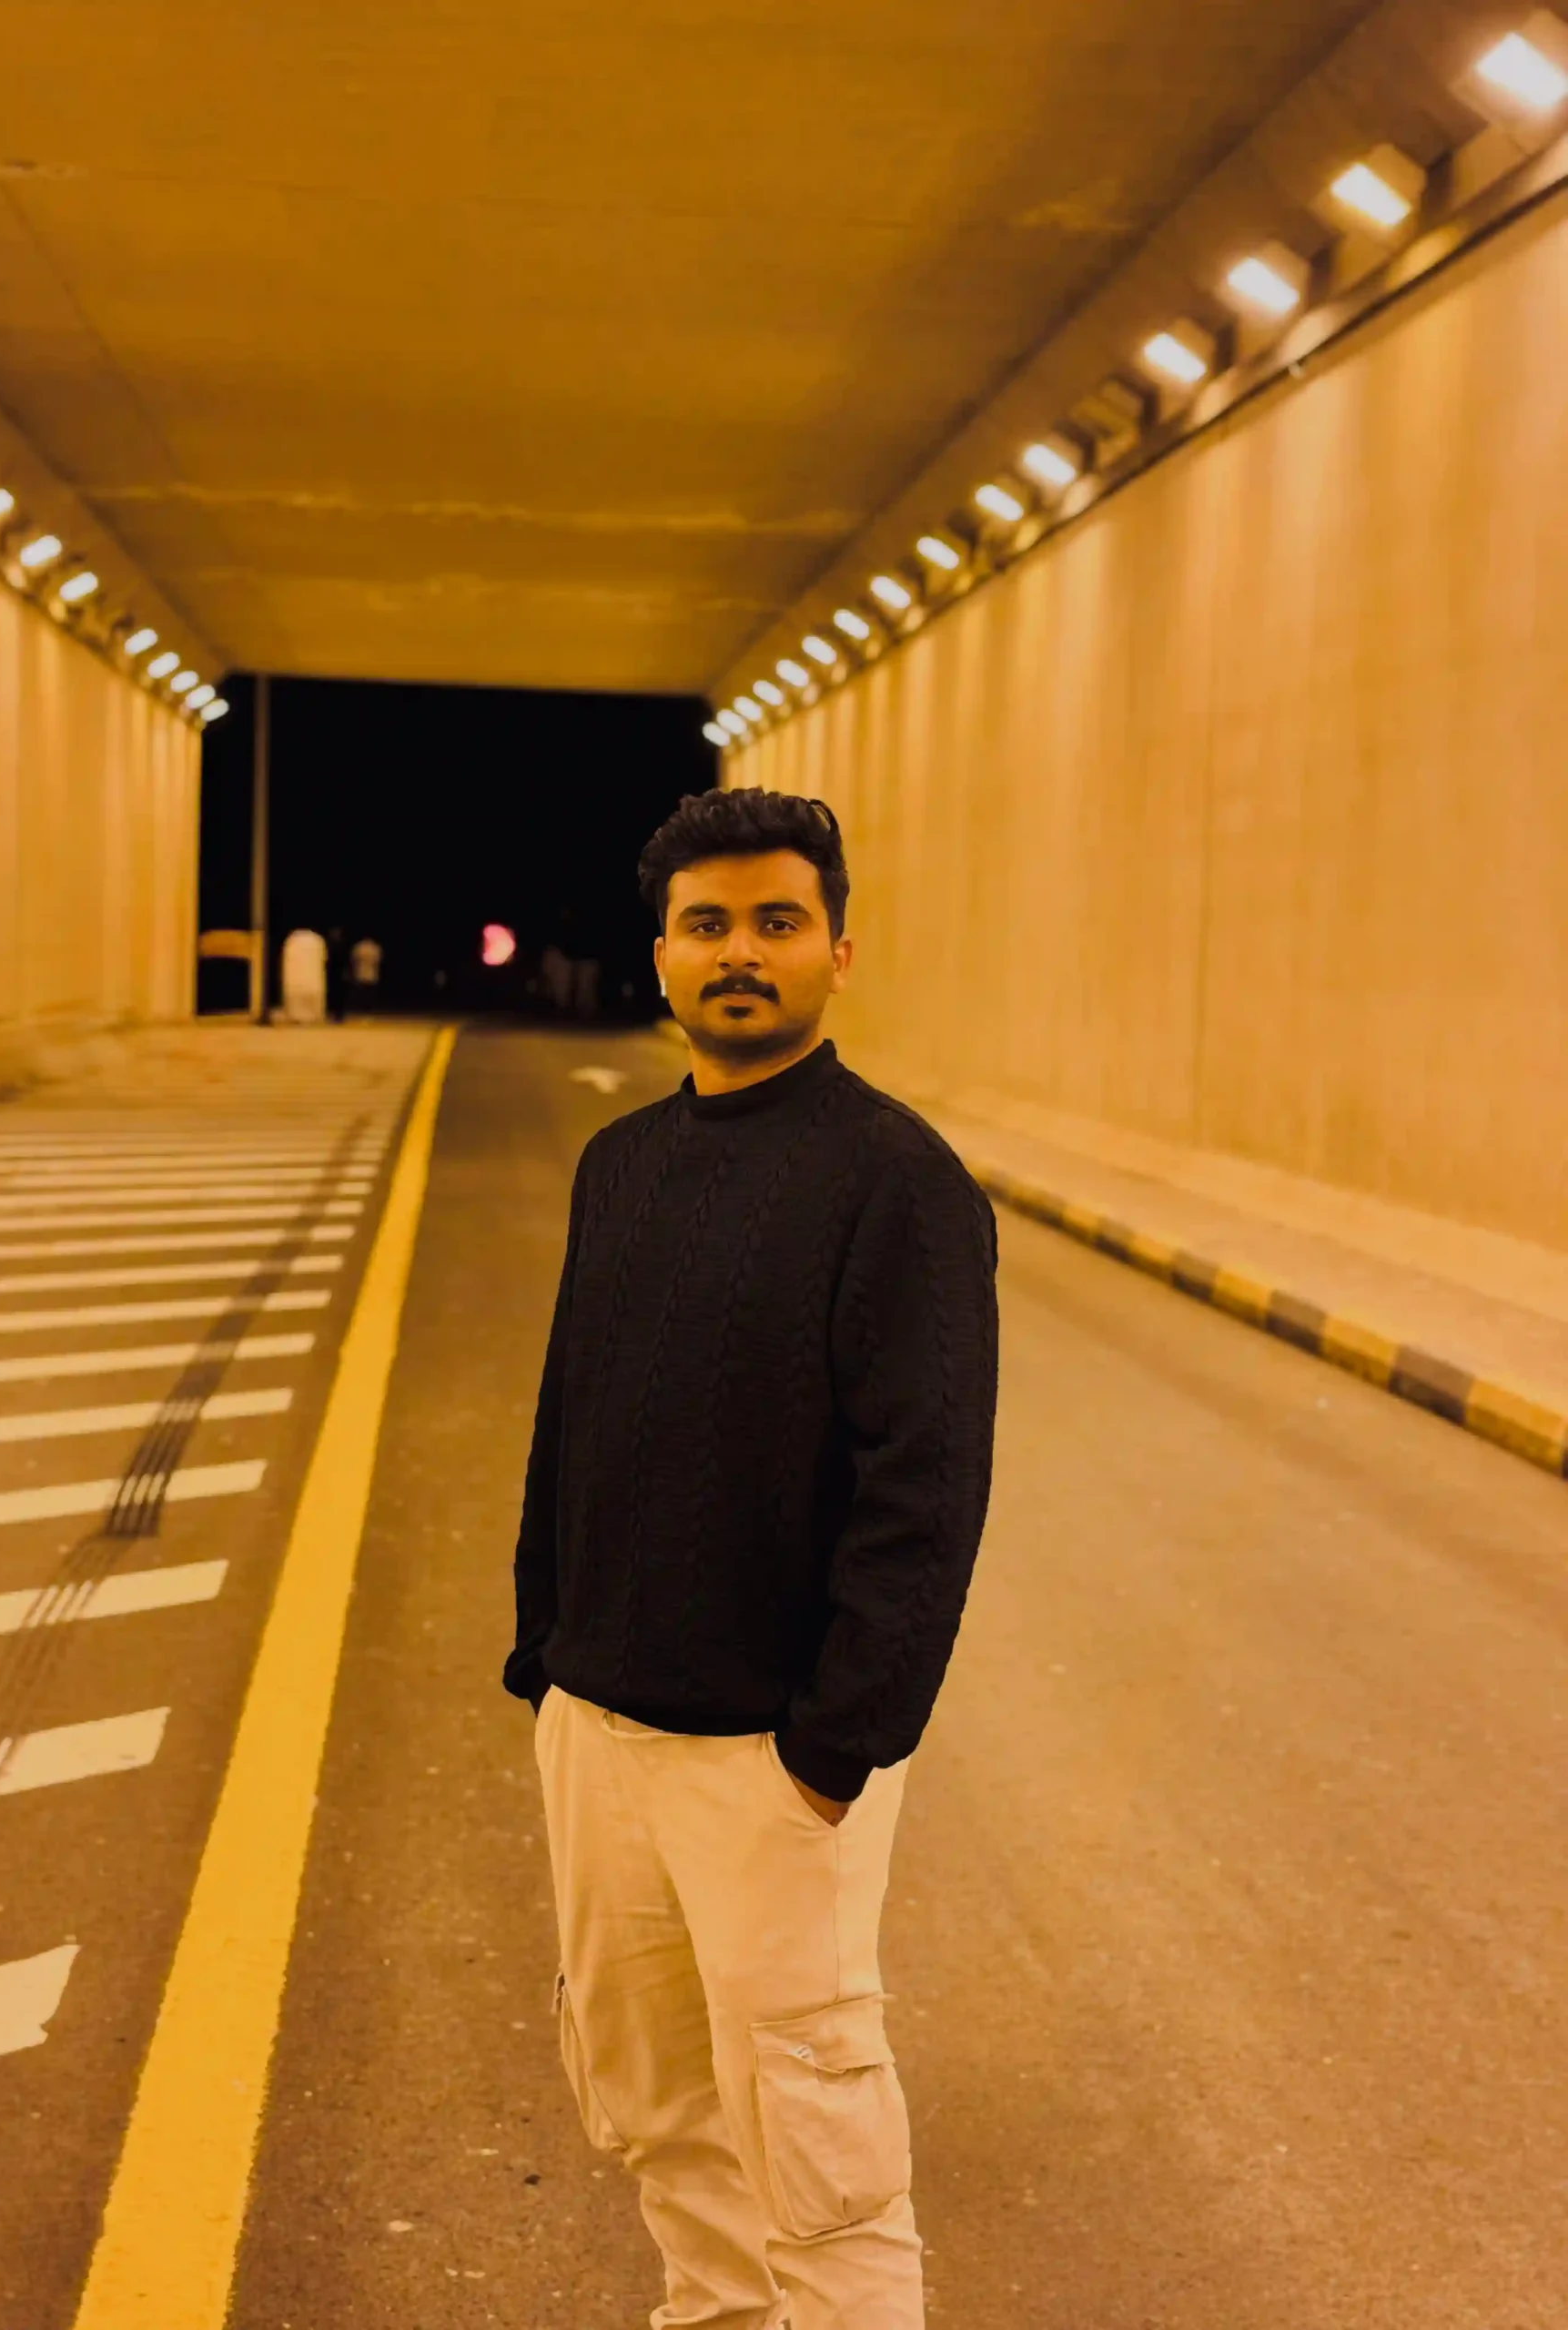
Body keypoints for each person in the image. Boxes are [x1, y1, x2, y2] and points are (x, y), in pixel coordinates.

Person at [506, 785, 998, 2329]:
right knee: (659, 2115)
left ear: (837, 951)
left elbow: (925, 1492)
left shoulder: (896, 1179)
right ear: (661, 953)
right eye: (707, 924)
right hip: (600, 1734)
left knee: (817, 2160)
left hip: (769, 1767)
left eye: (777, 922)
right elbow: (573, 1417)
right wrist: (545, 1662)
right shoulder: (621, 1162)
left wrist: (834, 1751)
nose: (740, 952)